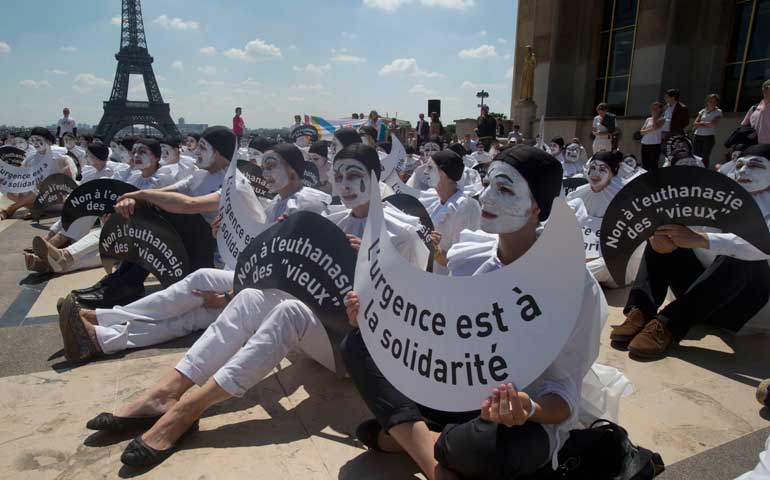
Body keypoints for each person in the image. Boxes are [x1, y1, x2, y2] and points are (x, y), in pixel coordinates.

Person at [76, 144, 425, 468]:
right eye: (341, 175)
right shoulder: (335, 222)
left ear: (375, 179)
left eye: (355, 176)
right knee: (250, 297)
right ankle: (169, 390)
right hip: (326, 335)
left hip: (363, 353)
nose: (346, 185)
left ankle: (187, 411)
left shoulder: (401, 233)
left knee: (289, 313)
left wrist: (371, 259)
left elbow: (409, 314)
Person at [341, 145, 606, 479]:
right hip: (454, 393)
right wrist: (372, 320)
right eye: (488, 185)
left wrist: (527, 408)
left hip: (516, 421)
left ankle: (414, 437)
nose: (487, 198)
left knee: (488, 449)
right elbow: (440, 338)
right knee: (356, 343)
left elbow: (564, 396)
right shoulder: (470, 259)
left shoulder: (572, 286)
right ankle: (437, 462)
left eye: (505, 189)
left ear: (537, 206)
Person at [57, 142, 332, 363]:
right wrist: (221, 234)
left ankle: (104, 318)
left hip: (279, 295)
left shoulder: (306, 203)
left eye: (271, 167)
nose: (265, 174)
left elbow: (293, 269)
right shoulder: (276, 205)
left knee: (200, 281)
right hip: (259, 285)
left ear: (294, 172)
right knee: (191, 318)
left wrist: (228, 296)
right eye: (263, 167)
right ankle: (102, 338)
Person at [610, 143, 770, 359]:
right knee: (664, 234)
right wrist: (666, 240)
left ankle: (667, 324)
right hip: (699, 295)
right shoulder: (717, 198)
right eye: (739, 165)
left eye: (754, 166)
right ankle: (641, 310)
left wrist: (700, 239)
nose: (743, 172)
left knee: (743, 257)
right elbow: (689, 228)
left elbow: (760, 246)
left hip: (742, 310)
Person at [70, 127, 235, 309]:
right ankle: (121, 280)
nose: (196, 152)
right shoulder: (199, 176)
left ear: (218, 153)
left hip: (213, 255)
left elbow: (190, 205)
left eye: (202, 147)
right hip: (191, 246)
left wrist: (142, 197)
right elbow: (161, 193)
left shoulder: (233, 181)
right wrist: (134, 199)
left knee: (164, 211)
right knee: (151, 208)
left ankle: (125, 283)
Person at [29, 139, 177, 275]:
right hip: (127, 233)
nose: (136, 155)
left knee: (110, 238)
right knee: (109, 244)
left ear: (157, 158)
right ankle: (59, 260)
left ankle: (61, 256)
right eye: (135, 151)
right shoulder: (133, 178)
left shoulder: (164, 179)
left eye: (143, 152)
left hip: (153, 237)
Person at [417, 150, 482, 275]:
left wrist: (435, 250)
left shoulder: (465, 208)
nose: (425, 172)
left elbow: (463, 262)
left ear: (443, 173)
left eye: (430, 168)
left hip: (449, 285)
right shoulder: (435, 202)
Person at [567, 151, 627, 286]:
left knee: (608, 264)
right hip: (579, 256)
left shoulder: (623, 198)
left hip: (607, 259)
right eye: (592, 168)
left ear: (613, 173)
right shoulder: (577, 195)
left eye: (602, 169)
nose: (595, 173)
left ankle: (571, 277)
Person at [0, 127, 73, 220]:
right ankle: (36, 209)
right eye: (33, 140)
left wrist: (47, 186)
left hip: (57, 198)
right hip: (34, 197)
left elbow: (68, 184)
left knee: (38, 191)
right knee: (4, 185)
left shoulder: (61, 157)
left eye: (39, 140)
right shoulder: (31, 158)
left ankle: (10, 209)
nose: (36, 143)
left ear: (49, 141)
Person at [693, 94, 723, 168]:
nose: (712, 103)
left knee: (705, 158)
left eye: (714, 101)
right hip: (697, 136)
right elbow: (695, 124)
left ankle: (704, 173)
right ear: (707, 102)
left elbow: (712, 124)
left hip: (708, 137)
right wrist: (705, 124)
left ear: (717, 102)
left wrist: (701, 123)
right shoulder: (702, 111)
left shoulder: (718, 111)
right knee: (696, 157)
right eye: (710, 101)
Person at [742, 79, 770, 145]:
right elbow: (744, 126)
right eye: (766, 89)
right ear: (764, 90)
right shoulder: (754, 108)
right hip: (754, 149)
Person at [640, 101, 665, 171]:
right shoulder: (648, 119)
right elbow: (641, 132)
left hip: (654, 145)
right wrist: (650, 130)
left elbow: (655, 127)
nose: (654, 110)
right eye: (653, 108)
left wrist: (654, 117)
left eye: (656, 108)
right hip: (645, 143)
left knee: (653, 165)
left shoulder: (662, 119)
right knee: (645, 164)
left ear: (660, 109)